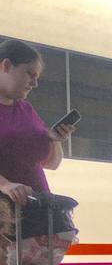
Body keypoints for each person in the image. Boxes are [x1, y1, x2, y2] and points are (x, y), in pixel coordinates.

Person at [0, 40, 76, 206]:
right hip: (6, 217)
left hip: (39, 211)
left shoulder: (26, 109)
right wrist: (5, 185)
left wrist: (54, 139)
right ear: (6, 66)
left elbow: (52, 163)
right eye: (30, 74)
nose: (34, 84)